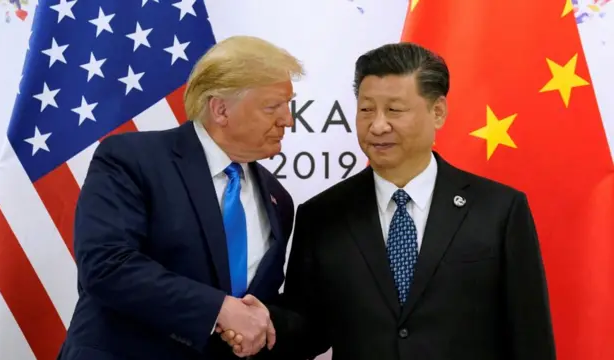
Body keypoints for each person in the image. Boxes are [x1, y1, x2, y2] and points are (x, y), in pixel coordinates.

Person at [220, 42, 556, 359]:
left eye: (395, 110)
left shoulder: (499, 210)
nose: (378, 125)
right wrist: (265, 323)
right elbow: (308, 327)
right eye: (366, 110)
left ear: (438, 112)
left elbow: (530, 336)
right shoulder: (322, 215)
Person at [56, 35, 304, 360]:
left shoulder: (277, 199)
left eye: (288, 106)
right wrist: (219, 310)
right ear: (221, 109)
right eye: (273, 107)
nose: (287, 120)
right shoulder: (132, 159)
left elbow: (255, 306)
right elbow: (106, 265)